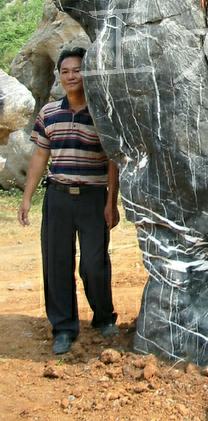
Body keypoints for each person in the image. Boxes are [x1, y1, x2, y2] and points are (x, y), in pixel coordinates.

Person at [18, 47, 120, 355]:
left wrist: (111, 202)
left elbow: (113, 161)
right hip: (57, 198)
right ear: (59, 76)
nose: (71, 76)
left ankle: (103, 319)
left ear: (86, 74)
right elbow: (39, 155)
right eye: (66, 71)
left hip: (92, 198)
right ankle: (63, 328)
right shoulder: (49, 113)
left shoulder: (101, 113)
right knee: (57, 263)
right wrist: (26, 198)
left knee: (94, 263)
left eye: (77, 70)